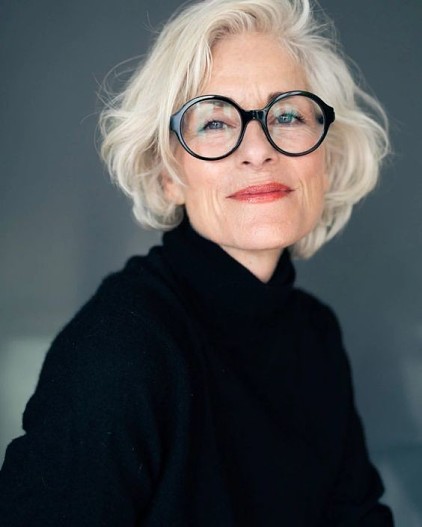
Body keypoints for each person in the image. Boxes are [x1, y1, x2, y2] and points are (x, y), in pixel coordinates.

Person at [0, 0, 394, 525]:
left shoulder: (314, 334)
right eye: (214, 123)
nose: (258, 150)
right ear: (168, 174)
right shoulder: (121, 347)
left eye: (287, 115)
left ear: (327, 155)